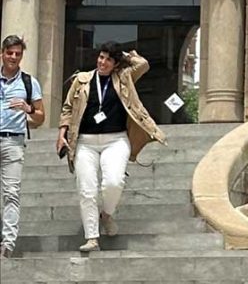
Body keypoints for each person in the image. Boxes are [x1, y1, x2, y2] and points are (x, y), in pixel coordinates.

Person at [56, 42, 166, 252]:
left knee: (114, 182)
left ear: (115, 64)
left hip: (115, 140)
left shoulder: (123, 77)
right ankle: (92, 237)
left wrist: (123, 54)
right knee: (87, 190)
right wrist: (62, 134)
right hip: (85, 142)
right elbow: (68, 108)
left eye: (108, 59)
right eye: (101, 57)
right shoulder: (82, 80)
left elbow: (142, 64)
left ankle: (106, 214)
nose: (102, 62)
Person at [0, 35, 45, 259]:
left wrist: (28, 109)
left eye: (18, 54)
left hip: (13, 141)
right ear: (2, 53)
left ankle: (7, 244)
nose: (14, 57)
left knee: (11, 193)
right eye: (10, 53)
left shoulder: (29, 82)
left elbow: (41, 118)